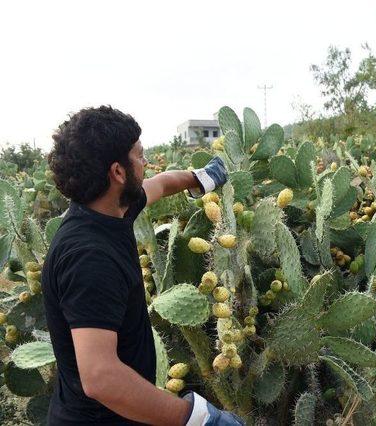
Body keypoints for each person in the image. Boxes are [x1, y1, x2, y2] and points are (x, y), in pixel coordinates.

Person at [42, 106, 243, 425]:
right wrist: (196, 419)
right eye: (139, 155)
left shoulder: (114, 208)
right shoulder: (88, 257)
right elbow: (101, 377)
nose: (146, 162)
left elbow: (160, 184)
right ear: (118, 172)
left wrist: (200, 179)